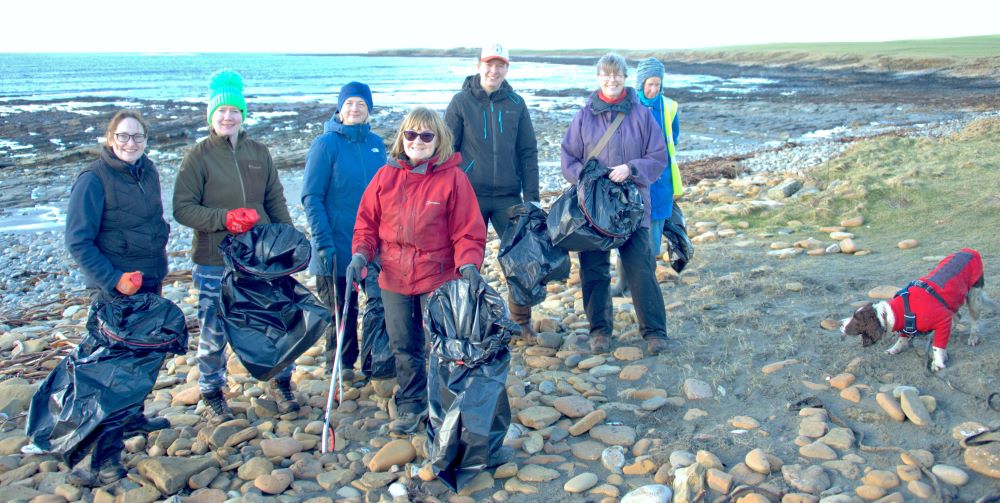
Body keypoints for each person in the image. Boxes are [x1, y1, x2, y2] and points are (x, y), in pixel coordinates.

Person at [348, 107, 486, 435]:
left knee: (441, 343)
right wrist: (359, 256)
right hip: (393, 276)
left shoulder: (454, 179)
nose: (418, 141)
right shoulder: (385, 177)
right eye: (411, 134)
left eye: (426, 135)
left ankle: (444, 403)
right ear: (402, 138)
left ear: (438, 140)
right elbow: (366, 223)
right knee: (402, 343)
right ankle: (410, 403)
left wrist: (468, 264)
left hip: (437, 274)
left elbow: (468, 230)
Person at [173, 70, 298, 421]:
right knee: (214, 328)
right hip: (215, 259)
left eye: (234, 111)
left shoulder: (259, 152)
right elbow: (182, 208)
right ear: (211, 116)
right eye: (221, 112)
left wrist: (286, 242)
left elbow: (275, 201)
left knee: (273, 321)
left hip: (259, 259)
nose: (228, 117)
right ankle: (212, 390)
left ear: (243, 115)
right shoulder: (197, 157)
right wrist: (224, 219)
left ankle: (281, 380)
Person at [63, 110, 171, 485]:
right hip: (114, 290)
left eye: (138, 136)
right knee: (113, 372)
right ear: (110, 139)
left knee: (144, 357)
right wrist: (112, 279)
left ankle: (133, 418)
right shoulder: (93, 179)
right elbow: (78, 240)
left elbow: (153, 221)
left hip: (149, 281)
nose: (131, 143)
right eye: (123, 136)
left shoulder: (148, 171)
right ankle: (99, 459)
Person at [560, 53, 670, 355]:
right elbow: (568, 156)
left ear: (625, 77)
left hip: (632, 208)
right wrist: (585, 176)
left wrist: (631, 169)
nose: (612, 80)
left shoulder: (641, 114)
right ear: (598, 78)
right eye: (606, 75)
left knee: (641, 269)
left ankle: (654, 332)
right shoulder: (584, 115)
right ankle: (599, 331)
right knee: (594, 271)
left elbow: (658, 156)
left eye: (617, 75)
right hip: (593, 210)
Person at [445, 43, 540, 343]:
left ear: (507, 68)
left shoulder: (516, 103)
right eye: (489, 63)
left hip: (509, 197)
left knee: (522, 257)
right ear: (478, 65)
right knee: (465, 260)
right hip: (469, 196)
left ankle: (521, 320)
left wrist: (532, 198)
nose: (493, 70)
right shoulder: (460, 102)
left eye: (500, 65)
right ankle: (465, 323)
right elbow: (447, 151)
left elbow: (528, 152)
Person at [302, 82, 385, 379]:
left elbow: (385, 193)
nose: (355, 108)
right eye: (349, 103)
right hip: (335, 243)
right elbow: (312, 196)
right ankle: (341, 365)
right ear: (340, 107)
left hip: (372, 245)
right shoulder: (325, 144)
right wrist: (322, 242)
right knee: (341, 311)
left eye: (361, 104)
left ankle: (376, 361)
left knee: (379, 302)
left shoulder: (376, 144)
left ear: (369, 109)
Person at [611, 57, 682, 296]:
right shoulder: (628, 105)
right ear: (641, 83)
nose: (653, 89)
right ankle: (622, 282)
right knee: (626, 234)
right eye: (649, 84)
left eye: (658, 84)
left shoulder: (670, 108)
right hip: (632, 182)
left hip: (661, 183)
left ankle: (644, 285)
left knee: (652, 238)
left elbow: (673, 140)